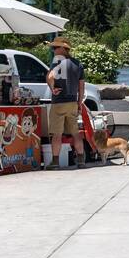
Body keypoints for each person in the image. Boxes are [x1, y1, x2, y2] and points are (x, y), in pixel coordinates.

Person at [46, 36, 86, 169]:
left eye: (55, 47)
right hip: (72, 103)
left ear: (63, 48)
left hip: (59, 103)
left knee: (56, 134)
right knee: (75, 133)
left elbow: (50, 76)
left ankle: (55, 162)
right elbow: (81, 87)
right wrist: (79, 103)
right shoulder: (78, 64)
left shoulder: (57, 62)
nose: (53, 50)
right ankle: (81, 160)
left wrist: (52, 88)